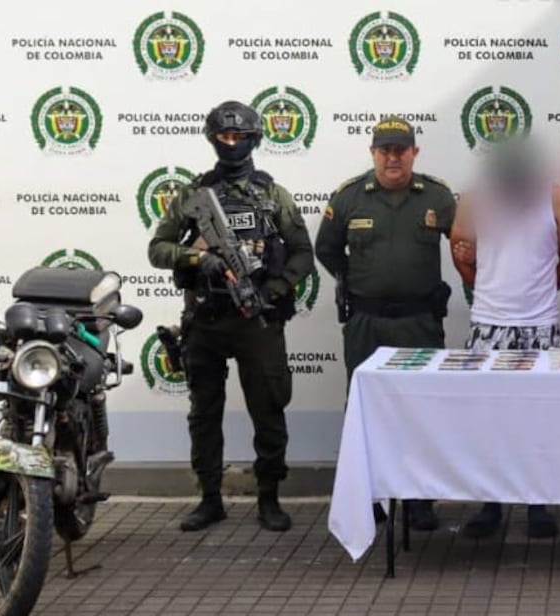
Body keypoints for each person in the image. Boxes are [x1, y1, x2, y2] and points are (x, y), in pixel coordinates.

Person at [147, 100, 316, 533]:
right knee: (205, 413)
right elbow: (157, 249)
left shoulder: (272, 195)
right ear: (213, 138)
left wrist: (271, 290)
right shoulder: (193, 195)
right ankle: (209, 498)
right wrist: (192, 257)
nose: (232, 143)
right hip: (205, 319)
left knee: (269, 410)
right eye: (224, 136)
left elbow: (302, 253)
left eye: (240, 136)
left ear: (254, 139)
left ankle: (269, 498)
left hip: (256, 321)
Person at [314, 116, 457, 533]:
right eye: (385, 150)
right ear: (373, 153)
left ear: (414, 152)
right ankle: (367, 498)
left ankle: (419, 501)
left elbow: (465, 240)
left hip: (419, 322)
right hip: (367, 323)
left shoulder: (437, 196)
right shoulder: (348, 198)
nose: (393, 158)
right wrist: (359, 282)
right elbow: (327, 250)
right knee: (363, 412)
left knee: (423, 410)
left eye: (401, 149)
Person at [447, 138, 560, 539]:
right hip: (489, 327)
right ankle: (492, 504)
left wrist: (539, 294)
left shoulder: (557, 199)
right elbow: (461, 253)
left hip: (541, 327)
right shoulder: (474, 201)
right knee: (489, 421)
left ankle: (538, 504)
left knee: (540, 420)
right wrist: (487, 293)